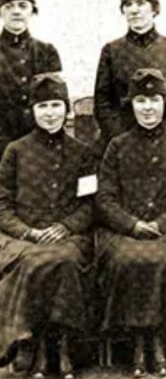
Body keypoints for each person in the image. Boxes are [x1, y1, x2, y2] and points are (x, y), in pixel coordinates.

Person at [95, 68, 166, 377]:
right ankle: (137, 342)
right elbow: (104, 199)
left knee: (160, 259)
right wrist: (131, 225)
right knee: (127, 259)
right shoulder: (116, 146)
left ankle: (159, 340)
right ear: (131, 105)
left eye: (154, 100)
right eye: (140, 101)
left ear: (165, 103)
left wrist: (161, 224)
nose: (147, 108)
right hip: (125, 232)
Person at [0, 73, 95, 379]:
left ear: (66, 109)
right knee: (33, 259)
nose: (50, 113)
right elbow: (1, 205)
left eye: (56, 105)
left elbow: (90, 205)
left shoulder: (83, 153)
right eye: (43, 106)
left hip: (67, 236)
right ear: (32, 111)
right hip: (21, 237)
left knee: (64, 259)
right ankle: (33, 342)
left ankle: (58, 345)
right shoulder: (15, 151)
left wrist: (66, 226)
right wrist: (26, 231)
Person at [94, 0, 166, 151]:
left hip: (165, 143)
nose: (134, 10)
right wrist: (123, 140)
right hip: (122, 144)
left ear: (154, 8)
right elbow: (102, 102)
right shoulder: (111, 50)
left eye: (140, 3)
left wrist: (162, 136)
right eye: (128, 4)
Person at [0, 0, 62, 156]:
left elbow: (55, 101)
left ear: (32, 11)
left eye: (23, 5)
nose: (16, 11)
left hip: (38, 144)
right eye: (9, 6)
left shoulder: (46, 51)